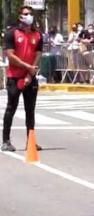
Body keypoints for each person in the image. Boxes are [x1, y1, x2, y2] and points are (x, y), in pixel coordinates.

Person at [1, 6, 43, 151]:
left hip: (30, 78)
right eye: (26, 14)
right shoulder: (11, 33)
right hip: (14, 77)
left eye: (30, 14)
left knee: (30, 110)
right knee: (11, 108)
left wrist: (30, 74)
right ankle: (6, 141)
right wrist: (27, 67)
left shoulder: (37, 35)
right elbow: (11, 56)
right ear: (20, 16)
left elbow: (38, 55)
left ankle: (30, 141)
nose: (29, 16)